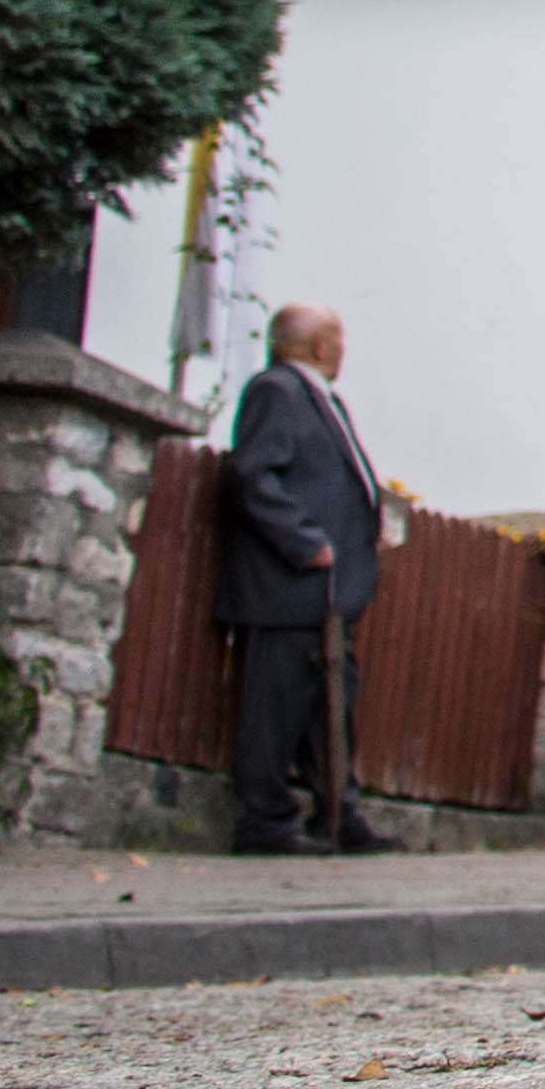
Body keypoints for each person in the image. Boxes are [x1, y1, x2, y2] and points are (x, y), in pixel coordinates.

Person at [220, 305, 390, 857]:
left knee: (328, 704)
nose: (343, 350)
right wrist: (304, 542)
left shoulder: (317, 397)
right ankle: (266, 822)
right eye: (339, 339)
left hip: (323, 592)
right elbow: (251, 473)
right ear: (320, 345)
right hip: (286, 587)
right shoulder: (277, 390)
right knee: (275, 708)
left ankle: (338, 813)